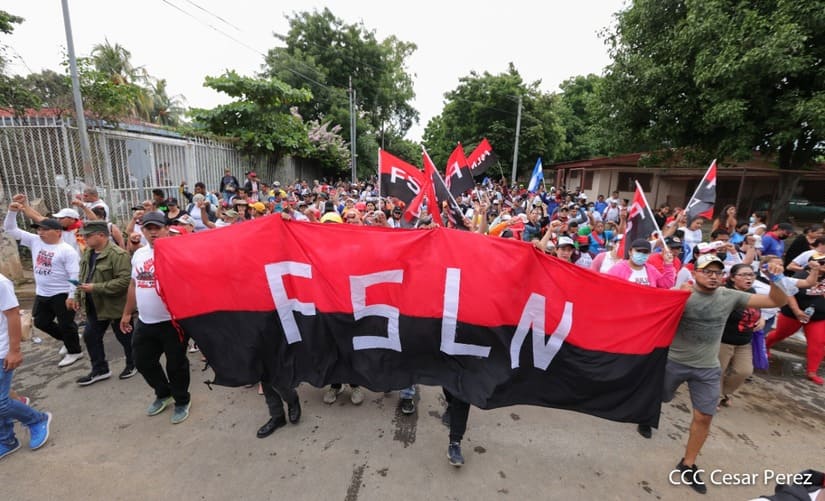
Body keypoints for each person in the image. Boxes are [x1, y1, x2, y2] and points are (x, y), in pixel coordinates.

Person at [637, 253, 787, 495]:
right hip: (674, 362)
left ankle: (688, 464)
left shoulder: (729, 296)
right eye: (707, 271)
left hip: (707, 367)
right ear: (695, 272)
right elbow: (647, 310)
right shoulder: (682, 294)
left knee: (704, 416)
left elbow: (774, 301)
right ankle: (646, 418)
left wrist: (776, 279)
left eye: (717, 272)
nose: (713, 276)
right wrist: (677, 295)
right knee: (660, 397)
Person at [119, 212, 191, 424]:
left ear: (166, 229)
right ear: (142, 231)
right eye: (148, 228)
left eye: (157, 228)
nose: (153, 232)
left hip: (173, 322)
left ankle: (182, 399)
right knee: (142, 361)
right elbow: (134, 284)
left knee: (176, 365)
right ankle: (163, 393)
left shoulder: (177, 252)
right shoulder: (139, 254)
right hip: (145, 321)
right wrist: (127, 313)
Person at [4, 206, 82, 367]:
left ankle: (75, 351)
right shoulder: (35, 241)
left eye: (45, 230)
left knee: (66, 324)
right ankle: (69, 339)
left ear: (58, 232)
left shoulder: (66, 250)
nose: (41, 232)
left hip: (62, 293)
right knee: (41, 322)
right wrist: (12, 211)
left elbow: (75, 275)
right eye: (39, 229)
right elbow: (10, 229)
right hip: (42, 293)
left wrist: (72, 295)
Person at [68, 221, 136, 385]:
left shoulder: (118, 255)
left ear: (101, 235)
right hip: (95, 305)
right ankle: (100, 369)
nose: (84, 238)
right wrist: (78, 295)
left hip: (115, 306)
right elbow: (83, 276)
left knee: (125, 337)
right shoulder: (88, 252)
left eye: (88, 235)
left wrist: (96, 287)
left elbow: (125, 281)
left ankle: (134, 363)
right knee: (90, 336)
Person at [0, 273, 52, 460]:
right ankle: (7, 440)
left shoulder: (1, 283)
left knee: (1, 403)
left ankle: (37, 419)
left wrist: (14, 351)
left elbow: (13, 314)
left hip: (2, 351)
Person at [766, 252, 825, 385]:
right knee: (780, 334)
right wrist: (797, 311)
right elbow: (789, 293)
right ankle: (766, 345)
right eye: (823, 263)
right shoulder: (801, 275)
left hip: (818, 316)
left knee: (818, 342)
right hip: (792, 314)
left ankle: (812, 371)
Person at [717, 264, 764, 408]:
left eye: (751, 274)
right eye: (743, 275)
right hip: (723, 340)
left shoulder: (752, 291)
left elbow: (757, 310)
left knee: (744, 371)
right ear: (732, 277)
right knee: (718, 371)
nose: (748, 278)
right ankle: (714, 397)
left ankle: (725, 392)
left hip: (744, 341)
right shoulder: (725, 293)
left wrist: (761, 319)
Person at [606, 238, 675, 288]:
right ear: (630, 252)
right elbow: (607, 285)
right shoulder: (618, 269)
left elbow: (666, 285)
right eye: (639, 251)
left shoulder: (651, 270)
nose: (642, 254)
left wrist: (668, 264)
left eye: (645, 252)